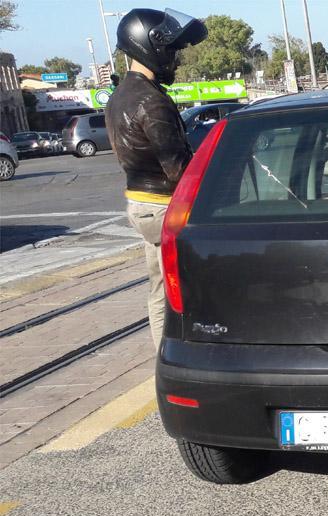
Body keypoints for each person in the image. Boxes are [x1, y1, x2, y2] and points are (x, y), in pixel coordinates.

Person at [105, 8, 207, 350]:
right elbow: (179, 170)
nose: (175, 59)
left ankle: (163, 354)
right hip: (166, 208)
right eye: (172, 50)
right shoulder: (152, 101)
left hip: (141, 205)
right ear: (152, 46)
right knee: (190, 288)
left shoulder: (120, 95)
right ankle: (182, 354)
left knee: (159, 289)